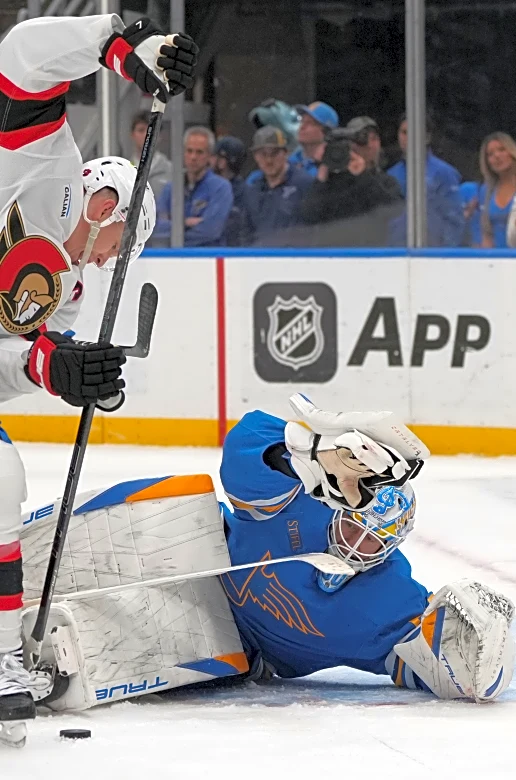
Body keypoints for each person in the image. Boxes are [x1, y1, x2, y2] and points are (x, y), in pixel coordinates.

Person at [18, 395, 516, 710]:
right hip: (197, 552)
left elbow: (440, 666)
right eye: (353, 526)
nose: (354, 545)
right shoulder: (303, 498)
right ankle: (16, 560)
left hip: (234, 645)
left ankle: (34, 664)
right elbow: (243, 448)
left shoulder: (389, 600)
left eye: (372, 542)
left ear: (391, 547)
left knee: (185, 648)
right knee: (181, 504)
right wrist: (304, 453)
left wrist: (483, 654)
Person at [0, 13, 196, 748]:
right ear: (107, 205)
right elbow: (20, 55)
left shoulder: (67, 299)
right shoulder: (45, 166)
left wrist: (58, 369)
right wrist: (120, 43)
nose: (108, 261)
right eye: (120, 245)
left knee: (1, 478)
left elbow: (8, 366)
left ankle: (2, 661)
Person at [298, 139, 403, 247]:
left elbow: (393, 210)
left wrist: (363, 176)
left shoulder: (383, 181)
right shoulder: (325, 185)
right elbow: (308, 216)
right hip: (330, 252)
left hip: (368, 251)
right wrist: (321, 177)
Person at [387, 114, 463, 248]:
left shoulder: (444, 173)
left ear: (427, 137)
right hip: (396, 252)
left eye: (414, 132)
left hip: (432, 252)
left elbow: (454, 221)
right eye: (404, 132)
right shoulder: (391, 175)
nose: (408, 138)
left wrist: (445, 254)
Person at [153, 127, 233, 247]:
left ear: (210, 156)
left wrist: (174, 229)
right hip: (173, 256)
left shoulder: (221, 188)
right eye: (189, 151)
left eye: (199, 152)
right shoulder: (171, 188)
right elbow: (157, 228)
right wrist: (185, 223)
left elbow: (211, 231)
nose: (193, 157)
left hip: (208, 255)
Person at [244, 126, 312, 245]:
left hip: (293, 254)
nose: (269, 160)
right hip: (259, 254)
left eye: (274, 153)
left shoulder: (304, 183)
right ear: (255, 156)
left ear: (286, 153)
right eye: (263, 154)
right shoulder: (253, 188)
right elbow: (245, 232)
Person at [475, 132, 516, 249]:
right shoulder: (486, 191)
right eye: (490, 154)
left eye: (502, 150)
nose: (497, 156)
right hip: (496, 256)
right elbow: (486, 234)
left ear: (512, 152)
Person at [213, 136, 248, 246]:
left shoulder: (243, 191)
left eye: (216, 156)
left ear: (223, 162)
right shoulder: (207, 185)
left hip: (231, 248)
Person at [129, 111, 173, 200]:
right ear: (132, 135)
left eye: (151, 130)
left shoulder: (171, 170)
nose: (146, 135)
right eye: (141, 130)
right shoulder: (124, 170)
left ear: (159, 135)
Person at [289, 101, 339, 178]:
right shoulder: (290, 161)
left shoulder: (332, 168)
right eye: (302, 121)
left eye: (310, 123)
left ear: (326, 132)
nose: (302, 127)